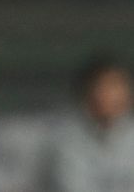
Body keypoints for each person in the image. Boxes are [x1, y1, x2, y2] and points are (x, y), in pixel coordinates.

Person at [41, 55, 134, 192]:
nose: (109, 95)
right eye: (102, 87)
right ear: (87, 92)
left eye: (116, 86)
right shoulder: (65, 139)